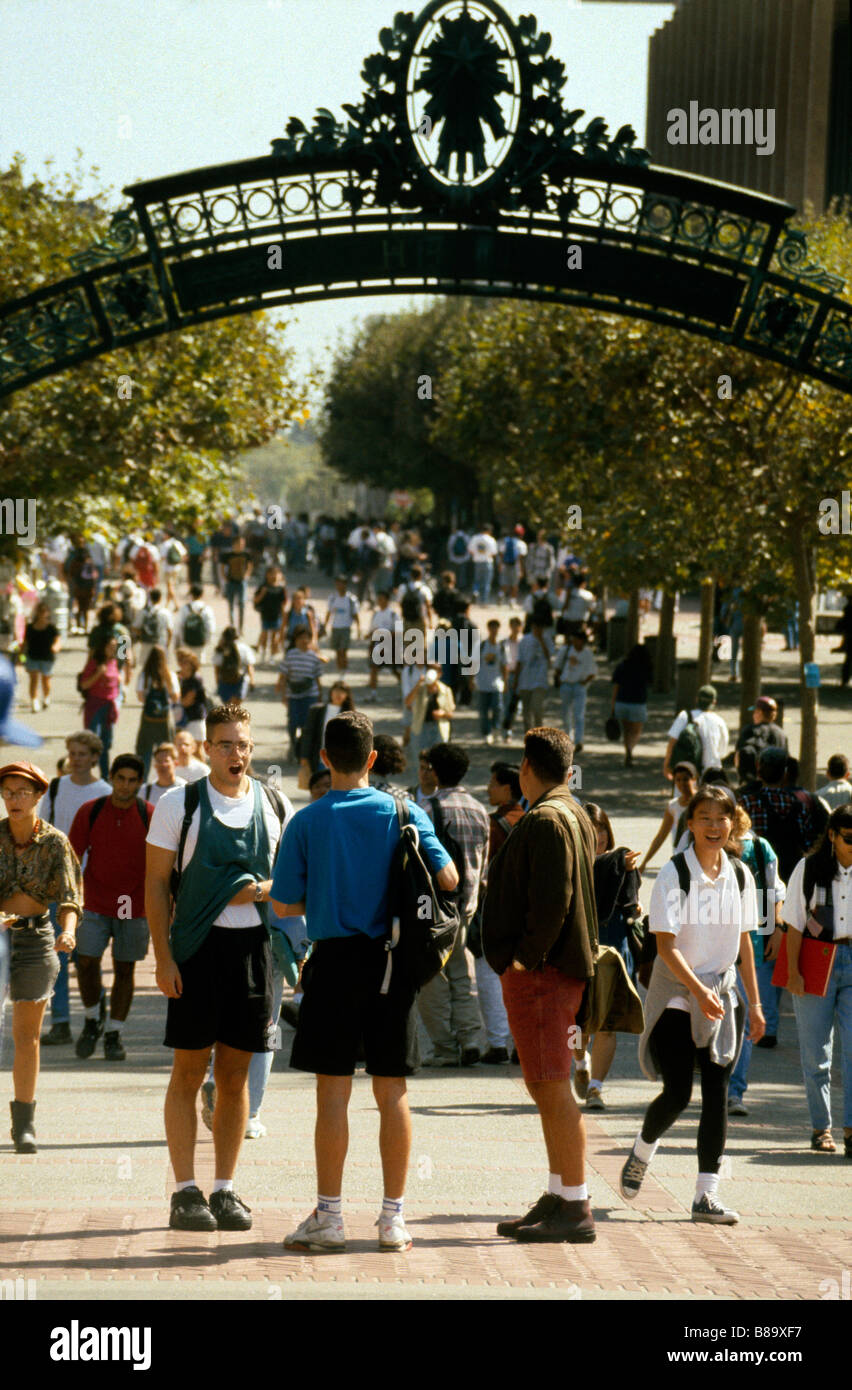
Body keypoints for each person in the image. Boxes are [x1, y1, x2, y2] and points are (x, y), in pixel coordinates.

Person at [270, 711, 458, 1252]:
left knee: (332, 1094)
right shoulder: (404, 811)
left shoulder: (306, 821)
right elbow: (446, 878)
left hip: (331, 965)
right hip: (392, 965)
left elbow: (283, 901)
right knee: (391, 1090)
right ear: (373, 759)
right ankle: (392, 1219)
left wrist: (328, 893)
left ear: (324, 760)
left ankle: (329, 1218)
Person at [144, 703, 289, 1230]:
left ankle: (225, 1188)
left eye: (244, 744)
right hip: (195, 951)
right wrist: (162, 958)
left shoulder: (274, 801)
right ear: (207, 749)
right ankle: (185, 1190)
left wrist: (268, 893)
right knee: (188, 1071)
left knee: (234, 1075)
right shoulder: (177, 804)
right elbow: (156, 886)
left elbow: (294, 879)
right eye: (225, 744)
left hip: (254, 951)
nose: (237, 754)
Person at [620, 786, 764, 1224]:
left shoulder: (740, 875)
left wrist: (755, 1005)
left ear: (732, 823)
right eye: (704, 818)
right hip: (676, 990)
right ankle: (643, 1148)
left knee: (718, 1093)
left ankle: (706, 1196)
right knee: (679, 1092)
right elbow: (664, 945)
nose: (714, 826)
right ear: (691, 823)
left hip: (721, 990)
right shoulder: (674, 873)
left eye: (722, 818)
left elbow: (744, 943)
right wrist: (698, 992)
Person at [482, 728, 599, 1243]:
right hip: (555, 972)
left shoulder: (550, 817)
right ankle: (559, 1193)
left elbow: (553, 902)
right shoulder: (570, 811)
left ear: (528, 767)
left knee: (552, 1088)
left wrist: (525, 960)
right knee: (546, 1085)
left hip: (546, 975)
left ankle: (574, 1204)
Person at [0, 761, 83, 1153]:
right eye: (8, 791)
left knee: (27, 1036)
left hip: (36, 940)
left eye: (22, 792)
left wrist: (68, 931)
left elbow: (69, 897)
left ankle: (24, 1124)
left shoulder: (54, 842)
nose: (14, 799)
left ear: (38, 796)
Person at [68, 754, 152, 1063]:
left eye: (132, 780)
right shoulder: (91, 811)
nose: (125, 786)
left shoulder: (149, 815)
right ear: (112, 778)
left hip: (130, 902)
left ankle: (114, 1033)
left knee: (124, 967)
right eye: (120, 779)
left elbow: (163, 863)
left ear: (140, 783)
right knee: (86, 961)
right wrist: (69, 899)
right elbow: (72, 859)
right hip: (94, 899)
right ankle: (92, 1019)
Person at [781, 804, 852, 1158]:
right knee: (816, 1053)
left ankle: (851, 1130)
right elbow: (793, 923)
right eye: (849, 839)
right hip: (816, 960)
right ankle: (821, 1128)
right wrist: (793, 971)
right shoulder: (809, 869)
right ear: (833, 836)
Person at [417, 742, 489, 1067]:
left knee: (431, 976)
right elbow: (483, 864)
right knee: (461, 972)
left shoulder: (428, 810)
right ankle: (472, 1038)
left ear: (433, 770)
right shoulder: (479, 810)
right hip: (467, 904)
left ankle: (445, 1047)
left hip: (435, 908)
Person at [37, 732, 111, 1046]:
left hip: (90, 886)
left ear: (95, 757)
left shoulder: (105, 792)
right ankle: (62, 1022)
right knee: (57, 956)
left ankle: (96, 1007)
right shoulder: (55, 788)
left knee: (86, 958)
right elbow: (41, 830)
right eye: (73, 753)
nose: (77, 758)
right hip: (56, 884)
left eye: (83, 753)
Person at [576, 804, 642, 1112]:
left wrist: (625, 874)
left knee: (606, 1024)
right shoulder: (570, 862)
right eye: (589, 829)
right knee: (577, 1025)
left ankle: (596, 1087)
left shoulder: (622, 860)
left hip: (613, 951)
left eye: (601, 829)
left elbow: (631, 901)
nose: (597, 836)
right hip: (577, 951)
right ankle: (579, 1063)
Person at [727, 804, 785, 1114]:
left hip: (753, 939)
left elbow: (775, 890)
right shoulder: (707, 849)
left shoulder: (761, 848)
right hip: (717, 943)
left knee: (747, 1016)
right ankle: (721, 1084)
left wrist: (775, 929)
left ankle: (735, 1090)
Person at [473, 761, 524, 1063]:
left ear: (507, 788)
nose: (488, 788)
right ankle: (520, 1043)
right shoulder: (532, 820)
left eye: (493, 783)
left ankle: (496, 1042)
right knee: (524, 978)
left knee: (489, 974)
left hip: (496, 909)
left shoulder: (492, 824)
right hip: (527, 911)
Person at [738, 746, 822, 884]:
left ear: (759, 772)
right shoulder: (799, 806)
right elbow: (808, 844)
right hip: (791, 879)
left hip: (758, 879)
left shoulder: (747, 804)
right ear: (785, 774)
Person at [277, 627, 328, 762]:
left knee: (307, 725)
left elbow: (317, 678)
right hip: (293, 695)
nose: (304, 641)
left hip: (310, 695)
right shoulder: (290, 655)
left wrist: (320, 695)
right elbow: (283, 675)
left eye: (307, 638)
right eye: (300, 638)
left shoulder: (314, 657)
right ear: (296, 640)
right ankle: (293, 745)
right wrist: (283, 693)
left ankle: (303, 751)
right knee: (293, 723)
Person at [640, 762, 698, 872]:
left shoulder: (702, 801)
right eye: (678, 780)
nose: (682, 784)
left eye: (686, 779)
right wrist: (645, 862)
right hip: (680, 855)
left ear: (694, 779)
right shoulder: (673, 806)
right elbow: (661, 836)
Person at [663, 684, 729, 781]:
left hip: (687, 773)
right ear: (714, 702)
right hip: (711, 774)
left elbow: (672, 742)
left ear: (697, 699)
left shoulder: (685, 716)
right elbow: (722, 752)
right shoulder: (720, 722)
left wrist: (666, 765)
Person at [78, 634, 121, 778]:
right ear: (103, 648)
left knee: (106, 744)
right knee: (91, 742)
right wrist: (98, 674)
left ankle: (105, 776)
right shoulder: (95, 662)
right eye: (110, 646)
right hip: (95, 705)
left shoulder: (114, 661)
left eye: (115, 647)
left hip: (109, 706)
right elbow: (84, 684)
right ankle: (86, 774)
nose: (113, 649)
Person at [135, 645, 179, 778]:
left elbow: (140, 697)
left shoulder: (145, 675)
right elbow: (176, 697)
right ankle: (165, 776)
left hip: (148, 718)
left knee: (145, 750)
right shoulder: (169, 675)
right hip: (165, 719)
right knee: (166, 750)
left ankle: (143, 778)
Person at [299, 680, 355, 780]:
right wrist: (304, 756)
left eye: (342, 692)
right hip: (318, 758)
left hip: (339, 761)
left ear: (347, 695)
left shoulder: (350, 715)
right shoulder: (317, 710)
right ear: (331, 693)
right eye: (336, 691)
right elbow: (308, 734)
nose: (339, 695)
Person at [611, 643, 653, 767]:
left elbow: (616, 687)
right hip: (638, 703)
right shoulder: (646, 667)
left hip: (622, 702)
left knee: (626, 730)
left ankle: (627, 749)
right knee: (636, 731)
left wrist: (613, 705)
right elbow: (650, 683)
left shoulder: (622, 666)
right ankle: (630, 749)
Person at [554, 628, 595, 754]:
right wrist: (560, 679)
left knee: (579, 714)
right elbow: (557, 666)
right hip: (566, 684)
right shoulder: (566, 650)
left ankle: (579, 741)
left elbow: (593, 671)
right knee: (566, 713)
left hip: (579, 685)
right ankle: (567, 738)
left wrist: (585, 682)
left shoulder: (587, 654)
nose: (575, 642)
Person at [512, 619, 554, 733]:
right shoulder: (525, 640)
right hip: (525, 680)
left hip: (540, 680)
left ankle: (539, 734)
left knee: (537, 708)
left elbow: (548, 657)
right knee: (526, 712)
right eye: (536, 627)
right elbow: (519, 661)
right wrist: (516, 680)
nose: (537, 630)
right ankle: (529, 736)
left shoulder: (547, 639)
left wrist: (541, 640)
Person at [405, 664, 455, 756]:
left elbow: (451, 713)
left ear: (440, 674)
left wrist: (443, 714)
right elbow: (408, 702)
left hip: (438, 728)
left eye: (435, 671)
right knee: (420, 757)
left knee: (439, 757)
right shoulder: (420, 688)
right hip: (421, 727)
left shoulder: (445, 690)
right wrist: (418, 684)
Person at [23, 600, 61, 713]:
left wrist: (55, 647)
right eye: (40, 611)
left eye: (44, 612)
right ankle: (34, 701)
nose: (42, 614)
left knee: (45, 679)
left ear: (48, 613)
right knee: (34, 679)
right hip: (32, 656)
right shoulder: (30, 627)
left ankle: (46, 697)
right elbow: (25, 644)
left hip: (47, 657)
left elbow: (57, 641)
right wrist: (21, 658)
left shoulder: (51, 628)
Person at [365, 591, 402, 703]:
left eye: (381, 599)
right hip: (378, 647)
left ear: (387, 600)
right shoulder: (376, 614)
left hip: (391, 647)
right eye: (378, 599)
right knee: (374, 669)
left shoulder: (393, 614)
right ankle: (373, 694)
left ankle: (404, 691)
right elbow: (372, 630)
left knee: (396, 671)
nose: (379, 601)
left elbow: (399, 631)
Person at [734, 696, 788, 771]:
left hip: (754, 779)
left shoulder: (750, 731)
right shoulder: (781, 734)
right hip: (775, 779)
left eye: (754, 712)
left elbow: (738, 758)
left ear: (760, 712)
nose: (753, 715)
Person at [475, 619, 507, 745]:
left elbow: (504, 666)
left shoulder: (501, 647)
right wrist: (472, 680)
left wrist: (506, 682)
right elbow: (475, 663)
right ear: (488, 629)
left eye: (496, 628)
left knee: (498, 709)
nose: (494, 631)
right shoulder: (482, 646)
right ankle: (486, 733)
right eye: (492, 628)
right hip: (483, 683)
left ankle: (496, 730)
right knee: (483, 711)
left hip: (496, 684)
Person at [322, 576, 360, 672]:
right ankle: (339, 668)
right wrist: (325, 626)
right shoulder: (333, 598)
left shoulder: (351, 599)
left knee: (343, 649)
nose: (339, 586)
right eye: (337, 583)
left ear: (345, 584)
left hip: (346, 627)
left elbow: (355, 614)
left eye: (342, 583)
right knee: (338, 650)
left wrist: (358, 628)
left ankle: (344, 668)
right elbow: (329, 613)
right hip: (335, 627)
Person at [253, 564, 288, 661]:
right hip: (265, 614)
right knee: (264, 634)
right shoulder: (263, 587)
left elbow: (284, 603)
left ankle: (272, 655)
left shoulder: (281, 589)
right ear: (267, 575)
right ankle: (263, 653)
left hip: (277, 615)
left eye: (276, 574)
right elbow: (256, 600)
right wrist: (262, 593)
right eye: (271, 573)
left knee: (274, 637)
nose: (274, 576)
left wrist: (284, 615)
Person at [213, 626, 255, 704]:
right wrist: (252, 681)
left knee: (227, 707)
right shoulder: (244, 648)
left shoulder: (220, 649)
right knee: (236, 707)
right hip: (240, 680)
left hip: (224, 680)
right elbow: (249, 665)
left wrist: (218, 683)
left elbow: (217, 668)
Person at [174, 584, 216, 663]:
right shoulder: (207, 609)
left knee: (187, 664)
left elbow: (178, 626)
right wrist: (207, 640)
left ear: (191, 594)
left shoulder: (184, 608)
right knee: (198, 665)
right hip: (200, 642)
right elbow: (211, 627)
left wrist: (179, 642)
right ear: (202, 594)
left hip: (186, 641)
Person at [134, 587, 173, 671]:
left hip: (146, 643)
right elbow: (170, 631)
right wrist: (167, 643)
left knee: (146, 667)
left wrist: (142, 636)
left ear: (150, 598)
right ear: (160, 598)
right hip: (160, 643)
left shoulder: (143, 612)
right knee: (161, 667)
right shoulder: (165, 612)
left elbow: (135, 627)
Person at [174, 647, 208, 744]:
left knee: (197, 749)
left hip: (195, 718)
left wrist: (173, 698)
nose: (181, 663)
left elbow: (187, 702)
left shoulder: (195, 679)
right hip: (180, 719)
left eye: (185, 661)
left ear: (192, 663)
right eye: (179, 660)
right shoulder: (178, 676)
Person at [220, 534, 252, 633]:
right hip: (231, 581)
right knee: (231, 604)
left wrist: (246, 576)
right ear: (234, 544)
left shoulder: (246, 555)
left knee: (242, 604)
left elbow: (250, 566)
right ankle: (232, 626)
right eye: (238, 544)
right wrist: (225, 578)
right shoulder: (227, 555)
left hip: (241, 582)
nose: (240, 546)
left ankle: (241, 627)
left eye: (242, 544)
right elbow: (222, 568)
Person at [500, 615, 524, 737]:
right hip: (509, 674)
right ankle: (507, 729)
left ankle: (509, 724)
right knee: (508, 702)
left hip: (522, 675)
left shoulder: (524, 642)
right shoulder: (504, 643)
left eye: (518, 626)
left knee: (518, 705)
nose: (516, 628)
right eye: (513, 625)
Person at [142, 743, 181, 808]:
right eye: (159, 761)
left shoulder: (184, 788)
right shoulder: (145, 791)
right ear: (155, 765)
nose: (162, 765)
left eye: (166, 761)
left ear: (175, 763)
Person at [468, 525, 498, 604]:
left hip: (477, 562)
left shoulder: (475, 538)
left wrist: (477, 555)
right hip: (487, 562)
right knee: (486, 582)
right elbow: (494, 553)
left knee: (477, 580)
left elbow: (470, 550)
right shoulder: (491, 540)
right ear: (489, 531)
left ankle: (475, 592)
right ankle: (484, 600)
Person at [498, 527, 527, 602]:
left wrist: (500, 565)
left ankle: (501, 595)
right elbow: (521, 558)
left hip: (505, 564)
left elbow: (501, 554)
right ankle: (512, 600)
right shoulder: (521, 544)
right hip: (516, 565)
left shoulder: (506, 541)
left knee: (504, 582)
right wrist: (522, 570)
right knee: (515, 584)